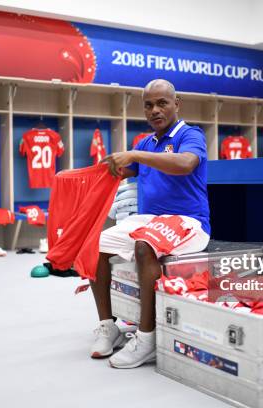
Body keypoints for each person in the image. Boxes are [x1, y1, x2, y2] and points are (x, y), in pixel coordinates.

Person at [90, 79, 210, 369]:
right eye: (148, 105)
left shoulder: (189, 134)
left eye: (162, 103)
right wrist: (107, 169)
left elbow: (185, 164)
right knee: (94, 245)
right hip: (151, 220)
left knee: (145, 246)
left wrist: (135, 154)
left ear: (176, 103)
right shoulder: (147, 142)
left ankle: (147, 338)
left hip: (188, 222)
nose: (155, 110)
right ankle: (109, 326)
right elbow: (127, 170)